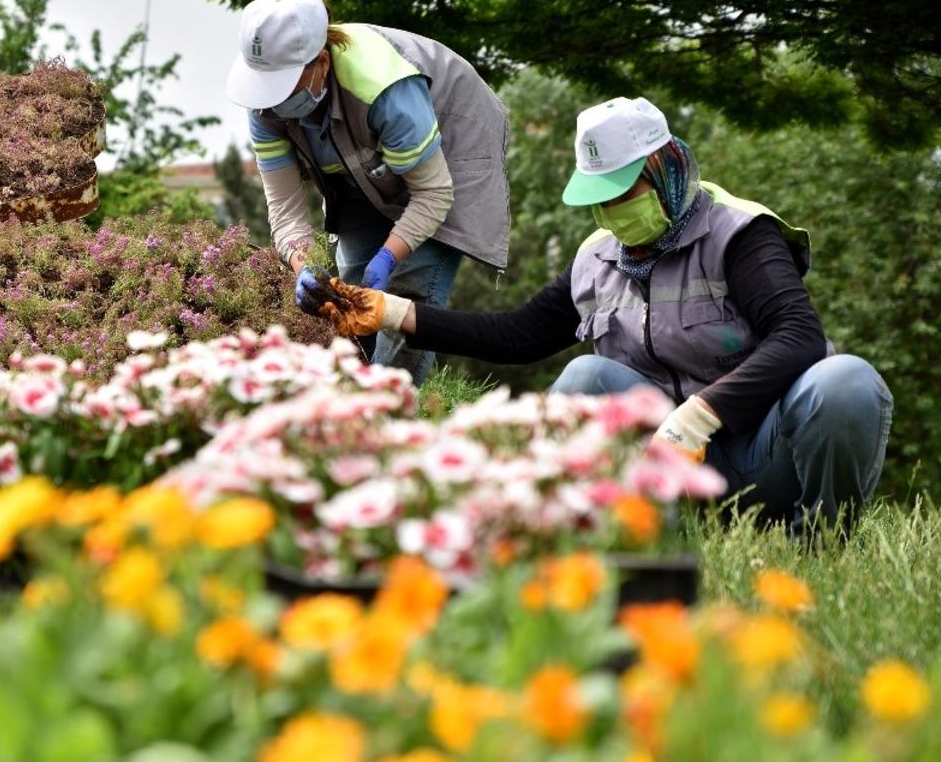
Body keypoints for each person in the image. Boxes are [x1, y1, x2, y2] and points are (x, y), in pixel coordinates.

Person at [315, 96, 893, 535]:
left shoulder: (741, 235)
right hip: (677, 474)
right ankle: (642, 537)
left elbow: (798, 336)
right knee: (584, 380)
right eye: (600, 196)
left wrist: (702, 414)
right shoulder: (597, 257)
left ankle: (821, 541)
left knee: (844, 382)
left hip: (769, 458)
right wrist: (391, 312)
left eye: (623, 192)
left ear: (665, 169)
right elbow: (518, 335)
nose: (610, 211)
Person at [225, 0, 511, 386]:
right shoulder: (264, 108)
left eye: (283, 87)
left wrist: (389, 258)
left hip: (450, 150)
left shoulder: (384, 87)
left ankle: (389, 411)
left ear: (320, 62)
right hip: (361, 166)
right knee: (352, 294)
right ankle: (355, 402)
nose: (272, 103)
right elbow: (285, 208)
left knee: (406, 294)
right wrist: (302, 264)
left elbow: (432, 193)